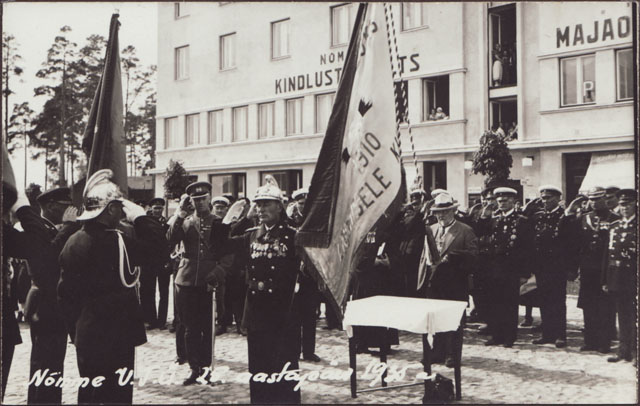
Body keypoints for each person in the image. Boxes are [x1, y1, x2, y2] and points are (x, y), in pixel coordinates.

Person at [57, 169, 169, 404]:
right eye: (118, 206)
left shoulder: (73, 240)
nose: (121, 211)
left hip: (86, 330)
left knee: (90, 393)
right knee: (116, 396)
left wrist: (76, 330)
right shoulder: (116, 241)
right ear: (109, 210)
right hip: (117, 332)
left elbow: (65, 295)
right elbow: (158, 251)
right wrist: (140, 217)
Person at [225, 176, 302, 404]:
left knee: (285, 367)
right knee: (259, 368)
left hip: (283, 312)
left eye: (267, 204)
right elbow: (220, 243)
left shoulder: (292, 236)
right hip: (257, 313)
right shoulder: (250, 235)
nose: (261, 209)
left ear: (279, 207)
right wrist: (234, 219)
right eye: (258, 205)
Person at [167, 181, 230, 385]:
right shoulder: (184, 221)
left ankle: (206, 368)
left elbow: (227, 254)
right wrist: (179, 215)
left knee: (207, 327)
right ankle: (194, 368)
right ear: (191, 201)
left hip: (208, 279)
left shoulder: (219, 222)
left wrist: (217, 273)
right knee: (190, 328)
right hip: (186, 280)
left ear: (209, 198)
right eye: (196, 199)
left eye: (203, 198)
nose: (200, 203)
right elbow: (170, 239)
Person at [25, 187, 80, 404]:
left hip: (53, 304)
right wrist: (67, 227)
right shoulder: (37, 229)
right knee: (45, 363)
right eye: (66, 206)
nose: (70, 210)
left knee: (52, 363)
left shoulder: (50, 228)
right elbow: (48, 263)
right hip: (45, 305)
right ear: (50, 206)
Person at [475, 186, 533, 347]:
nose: (502, 203)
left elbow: (527, 249)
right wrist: (484, 216)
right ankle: (496, 335)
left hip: (511, 269)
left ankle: (509, 336)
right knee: (494, 303)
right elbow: (478, 233)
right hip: (493, 269)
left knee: (509, 304)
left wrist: (524, 273)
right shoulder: (493, 220)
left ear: (514, 201)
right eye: (499, 201)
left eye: (506, 200)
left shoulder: (521, 221)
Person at [562, 186, 618, 353]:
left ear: (605, 199)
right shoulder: (584, 218)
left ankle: (604, 342)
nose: (593, 203)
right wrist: (569, 213)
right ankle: (590, 341)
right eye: (591, 199)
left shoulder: (615, 218)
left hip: (605, 269)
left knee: (605, 306)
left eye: (597, 199)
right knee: (589, 305)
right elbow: (570, 238)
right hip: (588, 269)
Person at [426, 193, 478, 367]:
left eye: (446, 212)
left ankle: (452, 354)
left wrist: (452, 257)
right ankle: (437, 352)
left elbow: (473, 256)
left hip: (455, 283)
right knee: (437, 319)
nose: (441, 215)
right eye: (438, 212)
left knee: (454, 321)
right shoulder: (431, 230)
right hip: (435, 283)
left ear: (454, 211)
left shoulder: (464, 230)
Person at [530, 185, 571, 348]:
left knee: (558, 301)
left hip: (557, 266)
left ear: (558, 199)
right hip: (542, 266)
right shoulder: (539, 217)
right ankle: (547, 334)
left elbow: (570, 244)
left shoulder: (565, 217)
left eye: (548, 198)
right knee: (544, 299)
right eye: (543, 198)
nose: (544, 201)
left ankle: (560, 335)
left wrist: (570, 267)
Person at [603, 189, 637, 364]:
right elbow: (607, 255)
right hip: (617, 277)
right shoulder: (614, 227)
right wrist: (605, 279)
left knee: (635, 317)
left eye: (628, 204)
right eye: (622, 204)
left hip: (634, 277)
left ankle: (635, 353)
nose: (624, 207)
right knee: (622, 316)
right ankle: (623, 351)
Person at [289, 187, 322, 362]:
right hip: (292, 274)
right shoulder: (289, 221)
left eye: (306, 204)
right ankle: (294, 350)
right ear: (296, 204)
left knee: (310, 316)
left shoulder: (315, 222)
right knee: (293, 316)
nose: (304, 207)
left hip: (309, 275)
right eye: (301, 204)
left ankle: (308, 351)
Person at [140, 197, 171, 330]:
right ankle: (150, 319)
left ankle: (162, 320)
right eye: (155, 208)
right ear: (151, 208)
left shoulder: (167, 223)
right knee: (148, 291)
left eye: (160, 208)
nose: (158, 210)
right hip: (149, 261)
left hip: (163, 261)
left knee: (164, 292)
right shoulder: (145, 222)